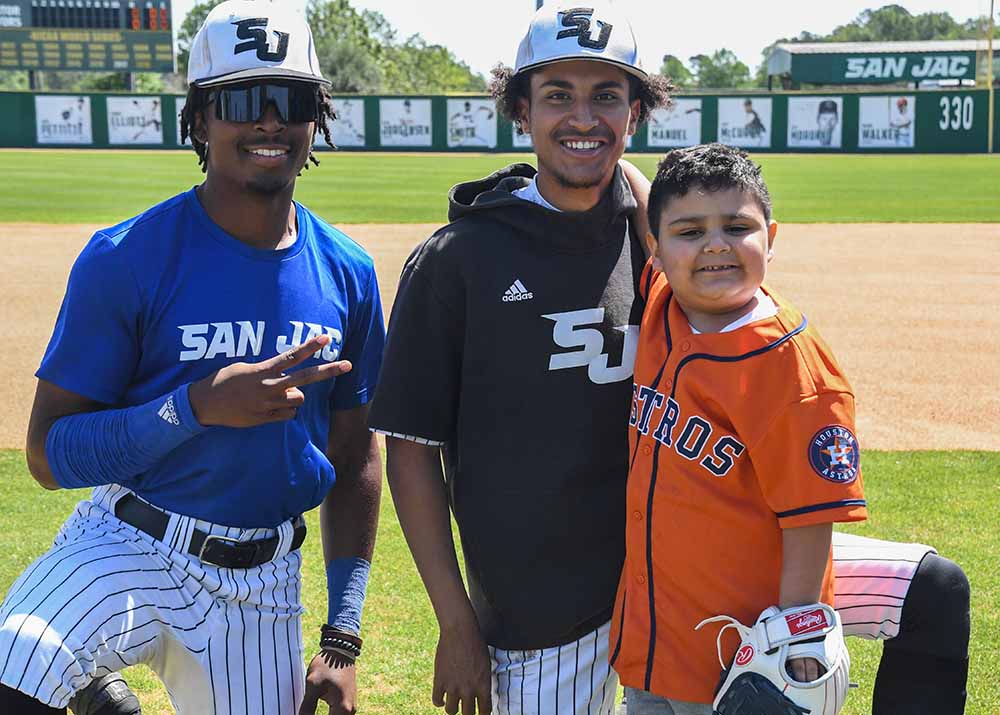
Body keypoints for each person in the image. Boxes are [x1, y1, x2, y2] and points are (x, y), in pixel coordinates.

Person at [370, 3, 970, 715]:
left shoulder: (655, 237)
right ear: (521, 110)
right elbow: (410, 448)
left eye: (607, 96)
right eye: (558, 94)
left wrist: (801, 619)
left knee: (932, 588)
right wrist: (455, 619)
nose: (583, 117)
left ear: (636, 113)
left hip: (699, 576)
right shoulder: (457, 260)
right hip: (547, 618)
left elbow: (718, 273)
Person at [0, 2, 384, 714]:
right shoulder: (127, 257)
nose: (269, 120)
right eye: (241, 100)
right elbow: (49, 455)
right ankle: (88, 680)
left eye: (290, 99)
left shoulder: (349, 273)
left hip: (262, 583)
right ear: (201, 119)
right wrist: (195, 406)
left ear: (317, 117)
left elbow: (356, 451)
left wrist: (343, 636)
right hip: (130, 540)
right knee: (14, 664)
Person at [609, 143, 868, 713]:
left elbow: (813, 513)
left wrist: (798, 629)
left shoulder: (792, 369)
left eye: (737, 227)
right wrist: (616, 165)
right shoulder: (664, 301)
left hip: (744, 652)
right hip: (658, 635)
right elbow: (651, 203)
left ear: (770, 238)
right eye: (690, 232)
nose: (715, 246)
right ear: (656, 247)